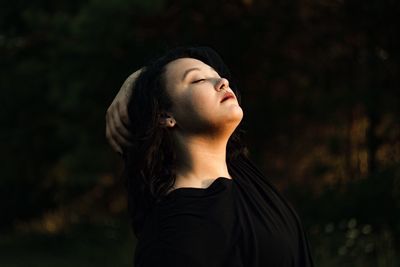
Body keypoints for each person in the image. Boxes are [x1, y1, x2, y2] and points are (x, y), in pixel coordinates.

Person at [105, 46, 314, 267]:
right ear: (165, 115)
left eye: (218, 75)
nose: (222, 81)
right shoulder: (173, 235)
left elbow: (206, 56)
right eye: (198, 80)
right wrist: (142, 89)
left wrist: (134, 82)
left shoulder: (239, 172)